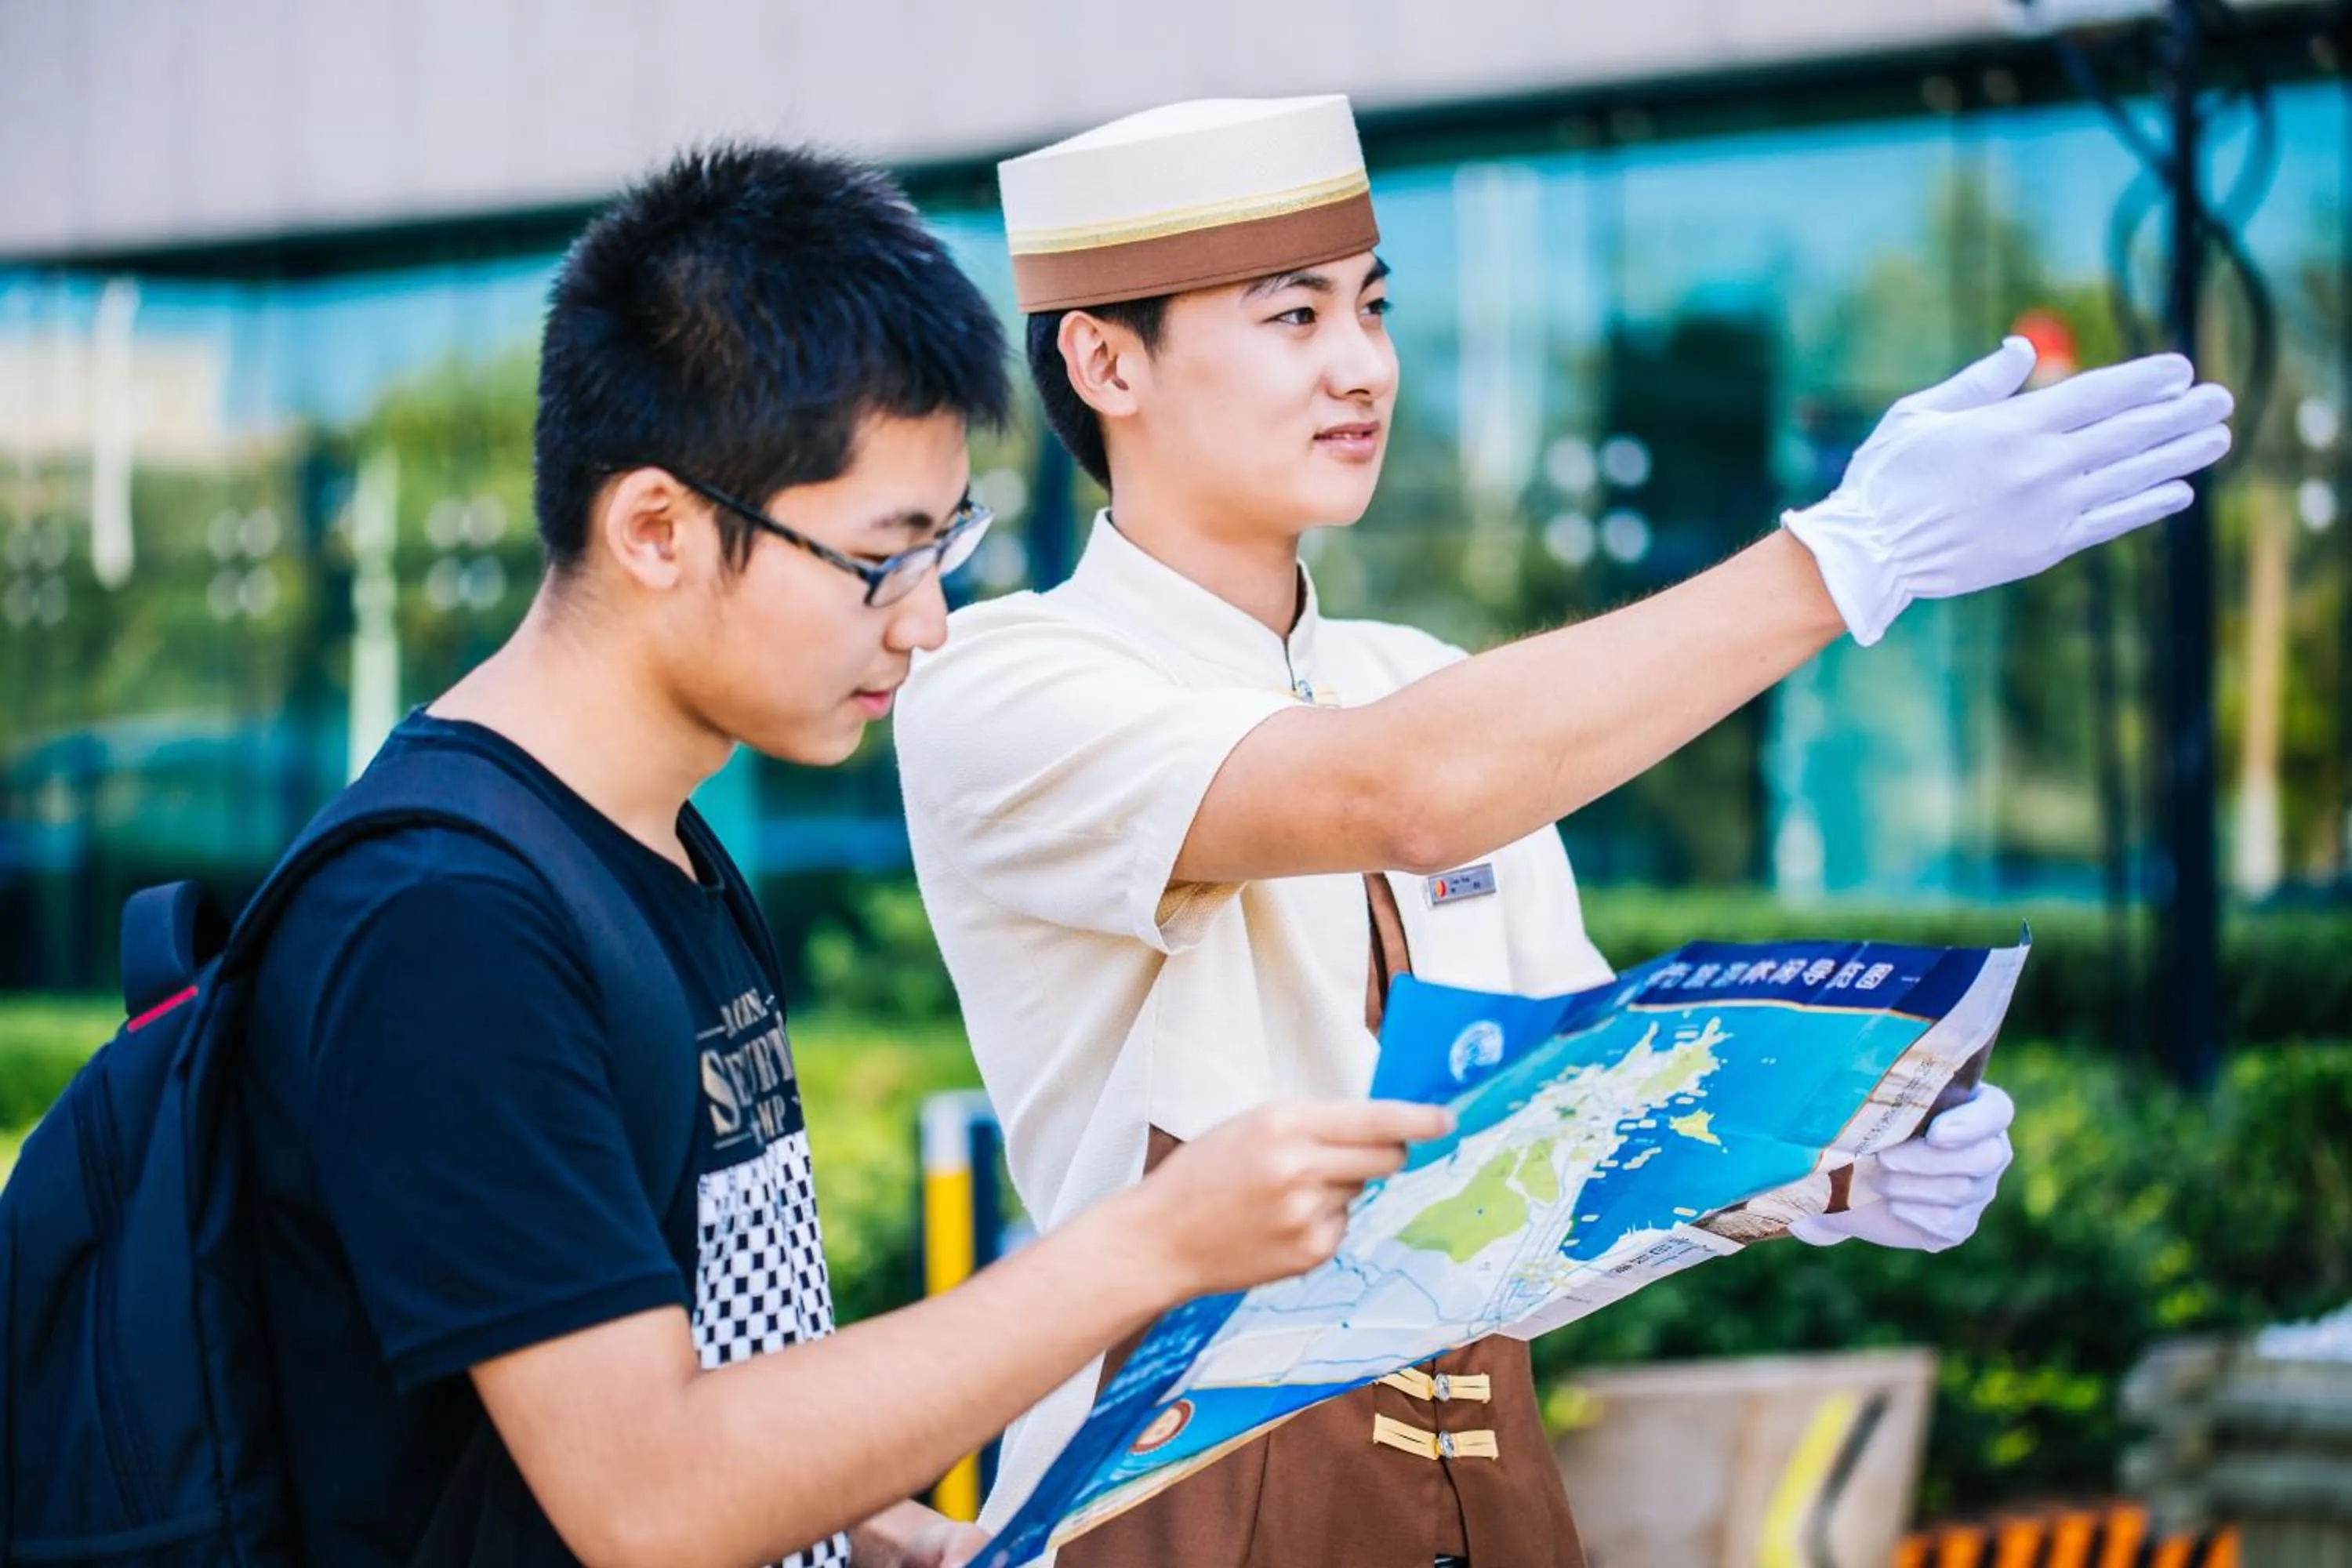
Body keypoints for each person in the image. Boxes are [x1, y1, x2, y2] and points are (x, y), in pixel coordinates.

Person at [893, 94, 2233, 1566]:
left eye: (1375, 308)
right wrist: (1848, 555)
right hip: (1174, 1501)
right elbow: (1391, 794)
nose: (1364, 368)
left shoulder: (1427, 689)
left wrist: (1835, 1174)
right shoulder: (1002, 676)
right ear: (1104, 359)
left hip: (1497, 1493)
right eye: (1293, 318)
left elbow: (1551, 1160)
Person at [235, 141, 1450, 1568]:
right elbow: (651, 1498)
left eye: (950, 547)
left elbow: (677, 1364)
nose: (926, 623)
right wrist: (1157, 1244)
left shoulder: (654, 853)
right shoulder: (445, 921)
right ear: (657, 530)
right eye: (885, 560)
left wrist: (896, 1546)